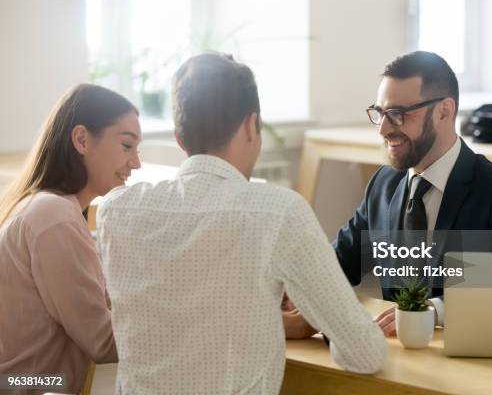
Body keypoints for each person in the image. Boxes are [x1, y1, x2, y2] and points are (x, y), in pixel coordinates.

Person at [96, 52, 387, 394]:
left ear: (179, 137)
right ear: (252, 125)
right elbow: (365, 354)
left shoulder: (115, 210)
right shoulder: (279, 212)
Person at [332, 51, 492, 336]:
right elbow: (336, 264)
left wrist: (435, 311)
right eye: (380, 113)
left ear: (444, 110)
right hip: (394, 359)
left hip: (470, 359)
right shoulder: (383, 184)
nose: (383, 129)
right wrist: (292, 297)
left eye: (398, 115)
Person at [0, 84, 142, 394]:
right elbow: (104, 342)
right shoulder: (54, 218)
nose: (136, 163)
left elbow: (98, 302)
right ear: (81, 139)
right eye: (127, 146)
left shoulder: (44, 207)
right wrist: (189, 317)